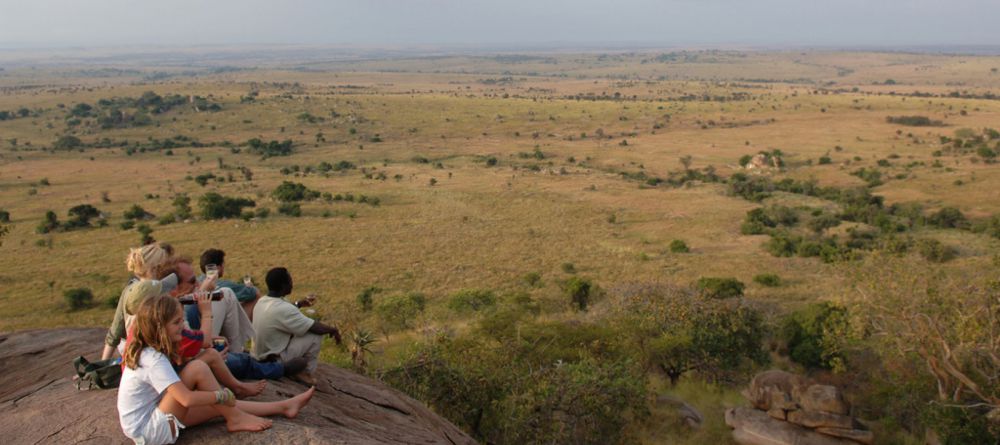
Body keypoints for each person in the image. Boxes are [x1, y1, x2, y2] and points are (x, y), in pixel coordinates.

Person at [117, 294, 315, 445]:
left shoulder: (151, 349)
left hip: (153, 419)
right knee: (198, 370)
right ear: (160, 328)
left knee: (218, 406)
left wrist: (221, 399)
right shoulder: (153, 358)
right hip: (149, 430)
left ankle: (283, 407)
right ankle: (235, 418)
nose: (181, 327)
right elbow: (185, 398)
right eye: (176, 322)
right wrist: (220, 395)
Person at [164, 257, 300, 380]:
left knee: (228, 356)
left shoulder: (169, 305)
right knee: (234, 361)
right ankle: (276, 369)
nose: (197, 285)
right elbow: (199, 344)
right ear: (175, 287)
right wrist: (206, 311)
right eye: (193, 281)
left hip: (184, 361)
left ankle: (242, 356)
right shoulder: (171, 311)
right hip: (182, 369)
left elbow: (190, 339)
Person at [252, 267, 341, 385]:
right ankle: (304, 372)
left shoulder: (262, 301)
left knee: (296, 330)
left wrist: (298, 304)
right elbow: (314, 327)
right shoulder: (285, 309)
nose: (292, 283)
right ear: (283, 286)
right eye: (290, 280)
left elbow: (282, 311)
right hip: (273, 360)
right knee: (315, 335)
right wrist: (333, 330)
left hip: (258, 355)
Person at [102, 242, 174, 360]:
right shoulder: (161, 288)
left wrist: (102, 364)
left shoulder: (129, 289)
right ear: (157, 267)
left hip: (131, 350)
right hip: (154, 352)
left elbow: (116, 330)